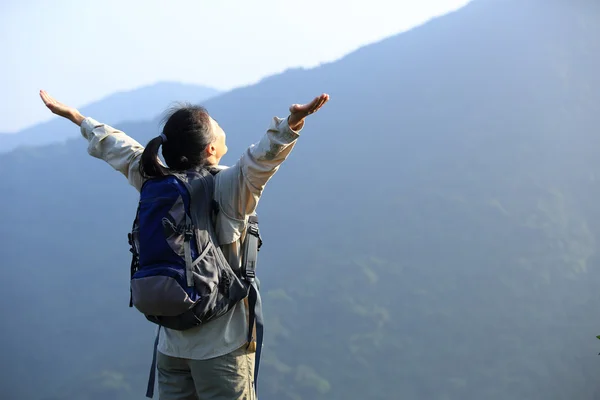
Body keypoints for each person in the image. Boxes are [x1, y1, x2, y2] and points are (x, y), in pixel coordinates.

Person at [39, 89, 329, 400]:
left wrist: (78, 118)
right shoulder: (230, 186)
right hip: (221, 349)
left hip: (171, 346)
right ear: (210, 148)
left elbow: (118, 146)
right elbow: (263, 157)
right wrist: (292, 122)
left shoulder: (154, 179)